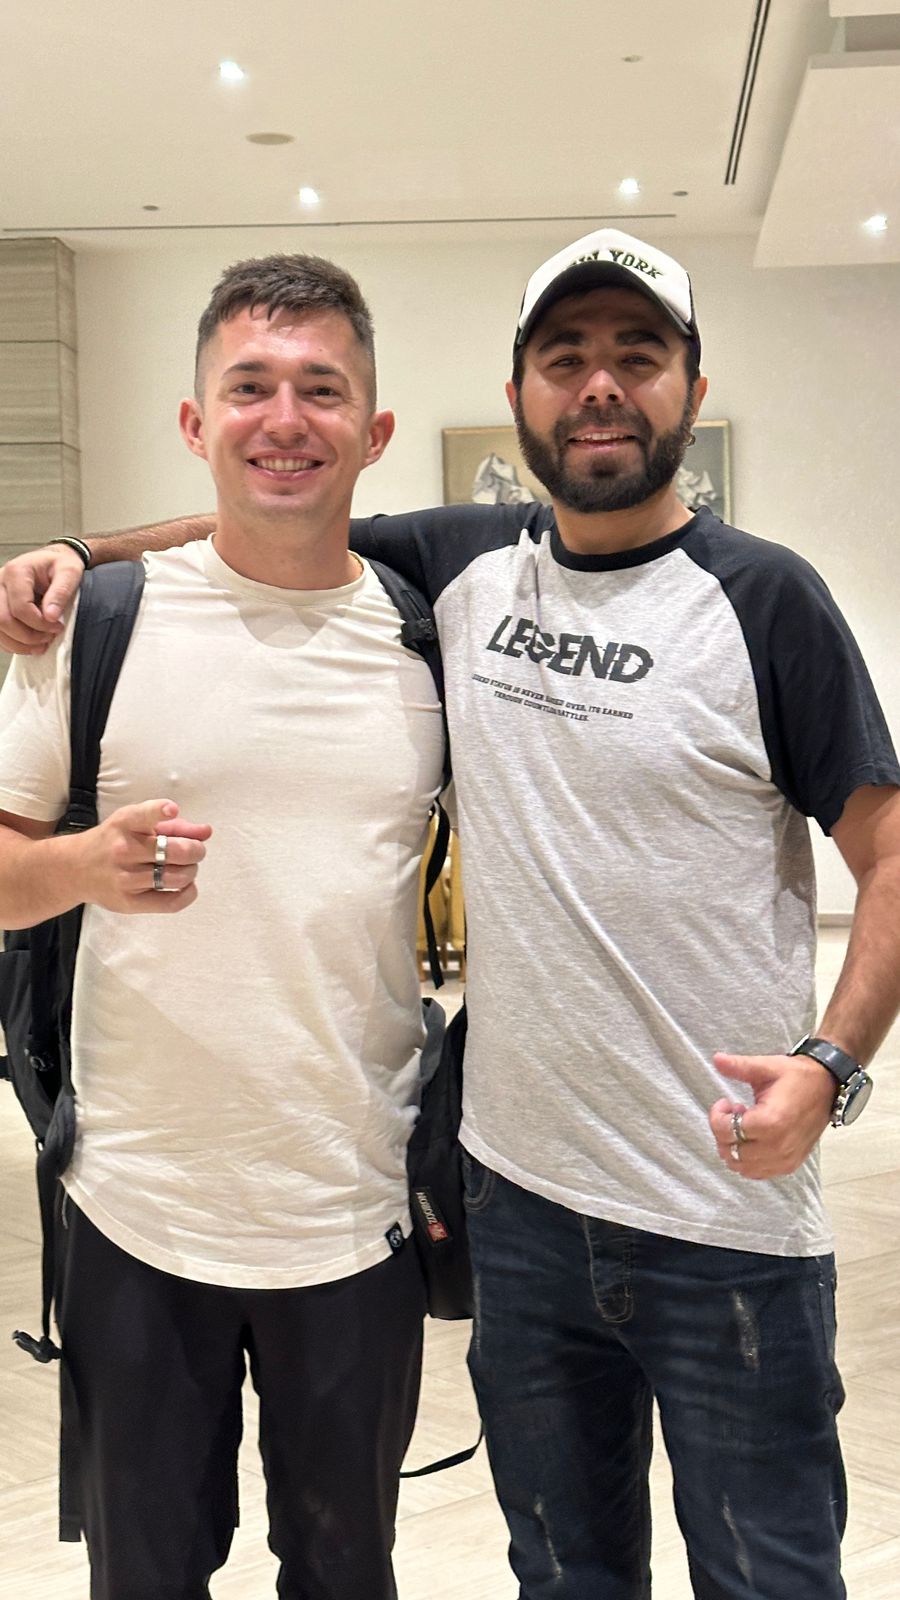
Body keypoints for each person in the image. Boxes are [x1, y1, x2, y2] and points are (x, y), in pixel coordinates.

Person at [4, 227, 900, 1599]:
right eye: (565, 357)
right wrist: (71, 551)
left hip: (708, 1210)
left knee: (766, 1574)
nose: (600, 386)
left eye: (639, 356)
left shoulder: (753, 597)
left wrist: (834, 1065)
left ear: (693, 391)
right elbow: (261, 521)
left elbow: (887, 853)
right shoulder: (467, 567)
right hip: (498, 1209)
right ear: (519, 394)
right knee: (558, 1573)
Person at [0, 254, 446, 1600]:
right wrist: (83, 864)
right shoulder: (95, 626)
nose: (284, 419)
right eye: (249, 387)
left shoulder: (425, 642)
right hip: (137, 1208)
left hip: (353, 1209)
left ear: (374, 429)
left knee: (345, 1572)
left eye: (323, 389)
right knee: (146, 1576)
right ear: (197, 423)